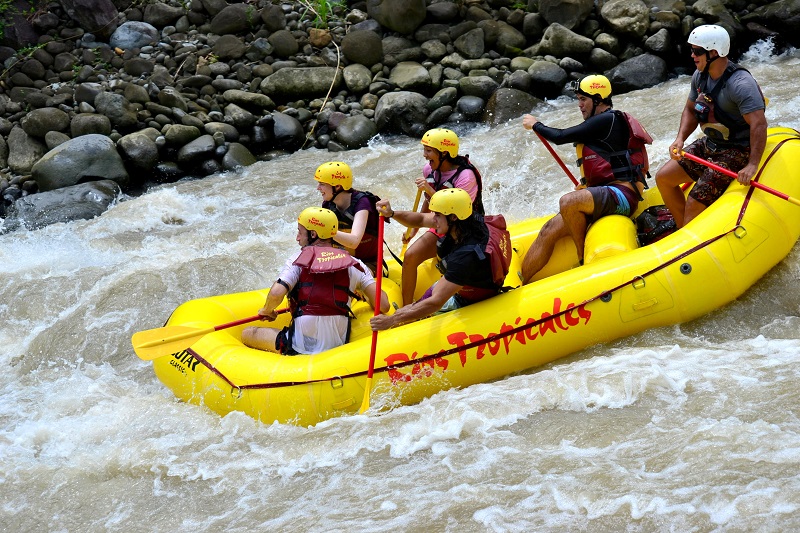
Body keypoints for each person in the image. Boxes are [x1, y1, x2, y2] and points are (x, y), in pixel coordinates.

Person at [520, 74, 653, 283]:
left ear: (598, 100)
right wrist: (587, 184)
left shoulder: (607, 119)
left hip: (623, 196)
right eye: (578, 99)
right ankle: (520, 282)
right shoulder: (600, 124)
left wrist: (536, 124)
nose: (579, 105)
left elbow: (561, 136)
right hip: (605, 195)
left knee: (567, 201)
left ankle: (583, 260)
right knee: (548, 230)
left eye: (584, 99)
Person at [655, 24, 767, 228]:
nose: (692, 56)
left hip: (738, 149)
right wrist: (680, 138)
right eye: (692, 50)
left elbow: (758, 124)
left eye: (697, 51)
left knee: (694, 202)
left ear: (714, 52)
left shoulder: (740, 84)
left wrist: (752, 164)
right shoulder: (700, 75)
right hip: (711, 143)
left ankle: (690, 240)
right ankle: (682, 231)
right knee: (663, 178)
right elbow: (690, 110)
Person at [242, 207, 389, 355]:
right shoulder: (354, 263)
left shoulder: (297, 261)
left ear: (313, 234)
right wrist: (368, 297)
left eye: (300, 232)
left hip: (300, 346)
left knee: (248, 333)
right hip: (337, 345)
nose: (297, 238)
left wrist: (267, 311)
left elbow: (276, 294)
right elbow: (383, 305)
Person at [370, 188, 511, 331]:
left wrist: (392, 320)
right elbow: (420, 219)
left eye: (437, 215)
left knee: (416, 320)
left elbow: (435, 302)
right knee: (417, 306)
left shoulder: (465, 258)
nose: (433, 219)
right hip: (460, 281)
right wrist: (392, 213)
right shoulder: (468, 220)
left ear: (453, 217)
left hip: (468, 298)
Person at [401, 128, 485, 307]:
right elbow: (429, 204)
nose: (425, 155)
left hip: (463, 230)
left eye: (429, 151)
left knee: (417, 254)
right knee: (410, 256)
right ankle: (405, 307)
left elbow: (457, 213)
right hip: (441, 225)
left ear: (444, 153)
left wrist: (430, 190)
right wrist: (413, 231)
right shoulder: (430, 169)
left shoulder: (465, 176)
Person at [314, 161, 382, 275]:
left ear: (337, 186)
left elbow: (354, 241)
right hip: (342, 261)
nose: (318, 188)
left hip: (368, 264)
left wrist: (325, 230)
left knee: (347, 276)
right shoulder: (327, 205)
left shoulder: (362, 203)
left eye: (322, 184)